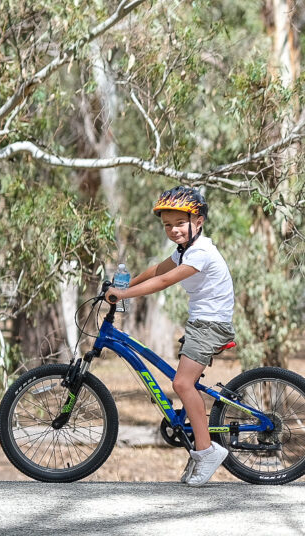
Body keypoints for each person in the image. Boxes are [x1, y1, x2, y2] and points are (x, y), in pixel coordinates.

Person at [105, 186, 236, 486]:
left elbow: (164, 281)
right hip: (200, 322)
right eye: (167, 225)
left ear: (198, 221)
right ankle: (201, 445)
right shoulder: (184, 251)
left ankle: (206, 451)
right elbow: (156, 270)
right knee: (182, 381)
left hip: (211, 325)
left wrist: (124, 293)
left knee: (181, 383)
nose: (173, 230)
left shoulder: (201, 252)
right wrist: (121, 285)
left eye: (179, 223)